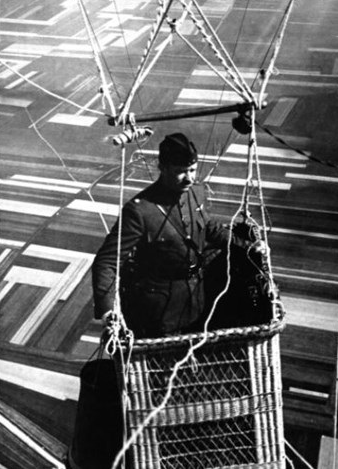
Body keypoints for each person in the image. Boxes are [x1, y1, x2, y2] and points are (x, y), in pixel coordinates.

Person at [92, 132, 266, 338]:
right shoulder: (139, 211)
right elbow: (107, 261)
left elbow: (208, 227)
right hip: (161, 311)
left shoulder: (196, 191)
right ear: (162, 168)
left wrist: (246, 246)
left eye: (192, 170)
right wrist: (108, 310)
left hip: (197, 297)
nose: (189, 178)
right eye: (180, 172)